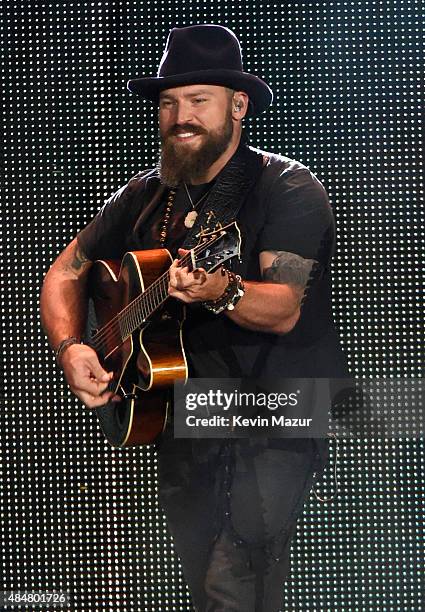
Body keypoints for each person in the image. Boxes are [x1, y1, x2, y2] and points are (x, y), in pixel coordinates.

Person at [40, 24, 349, 612]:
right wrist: (72, 347)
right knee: (200, 581)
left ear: (238, 106)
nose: (180, 115)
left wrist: (220, 289)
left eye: (198, 100)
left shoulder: (286, 187)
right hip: (182, 414)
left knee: (236, 583)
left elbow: (283, 308)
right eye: (167, 101)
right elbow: (65, 273)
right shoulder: (147, 193)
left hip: (274, 411)